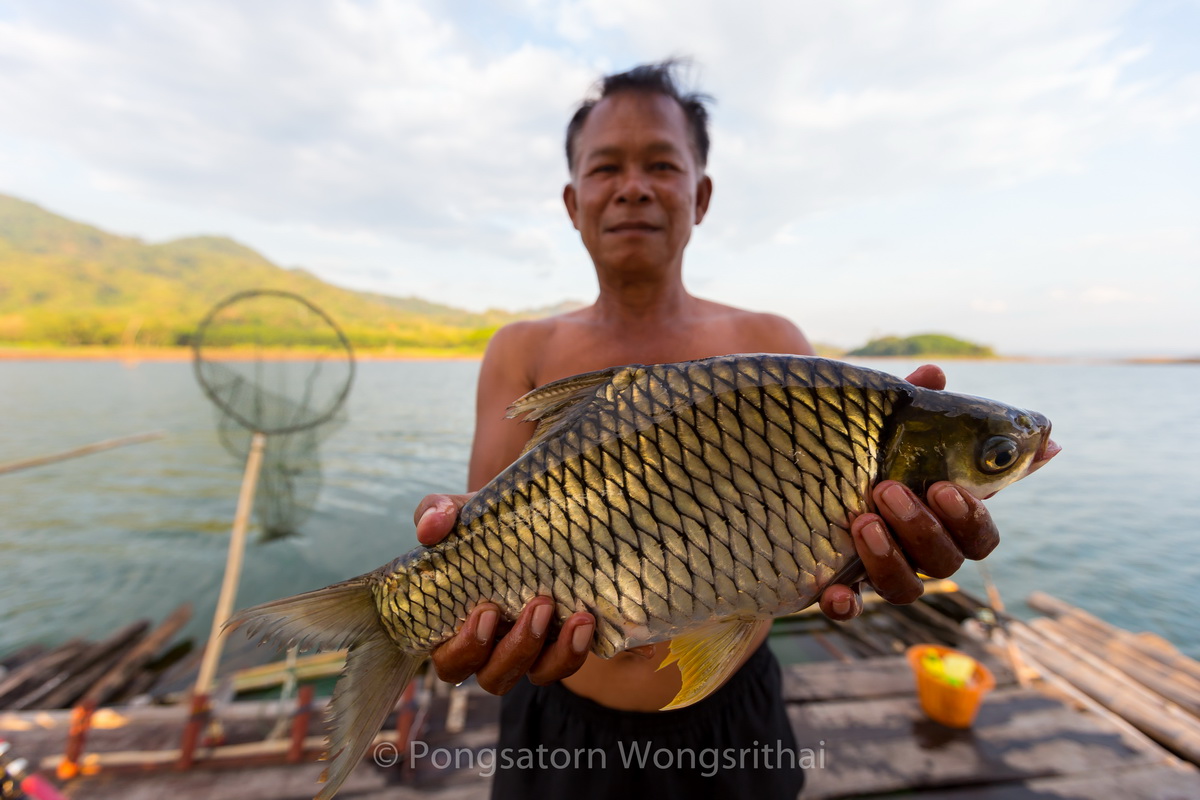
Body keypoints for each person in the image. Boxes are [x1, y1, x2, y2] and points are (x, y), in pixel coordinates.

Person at [411, 61, 1000, 798]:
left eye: (661, 163)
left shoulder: (774, 342)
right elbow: (487, 535)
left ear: (701, 194)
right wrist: (449, 584)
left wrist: (884, 553)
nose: (634, 186)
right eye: (606, 168)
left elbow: (838, 526)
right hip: (557, 719)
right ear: (572, 201)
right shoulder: (522, 351)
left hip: (732, 718)